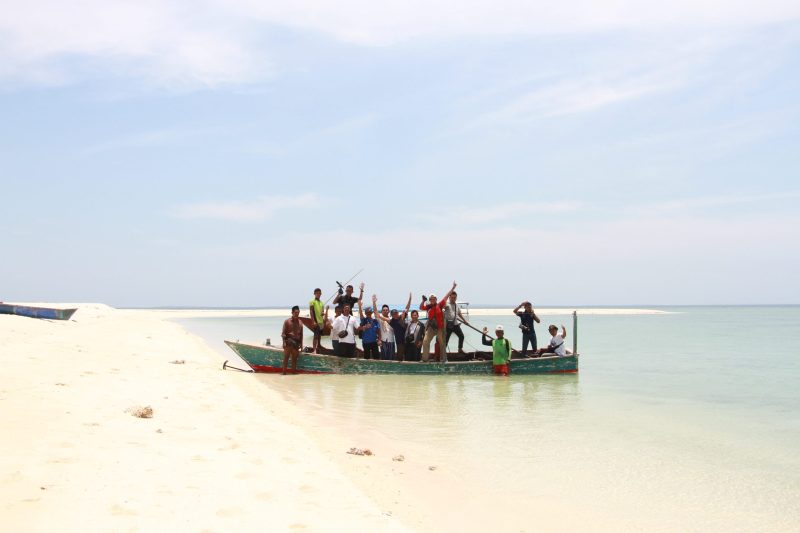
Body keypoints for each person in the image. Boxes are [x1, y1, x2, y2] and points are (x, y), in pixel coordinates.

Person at [420, 281, 457, 363]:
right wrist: (423, 301)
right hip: (431, 328)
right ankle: (425, 359)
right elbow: (421, 307)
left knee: (442, 343)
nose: (432, 300)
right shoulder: (428, 307)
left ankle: (444, 359)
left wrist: (453, 288)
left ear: (436, 299)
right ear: (429, 300)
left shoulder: (440, 305)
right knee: (425, 341)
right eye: (431, 299)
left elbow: (447, 296)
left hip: (440, 328)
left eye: (434, 299)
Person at [281, 305, 304, 374]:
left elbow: (301, 335)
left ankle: (293, 375)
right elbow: (283, 333)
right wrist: (284, 342)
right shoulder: (287, 321)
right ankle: (284, 373)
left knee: (294, 360)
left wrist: (301, 345)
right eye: (295, 313)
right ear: (292, 313)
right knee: (286, 359)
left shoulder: (300, 323)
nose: (297, 314)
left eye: (298, 313)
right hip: (288, 342)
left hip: (296, 344)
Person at [390, 294, 412, 361]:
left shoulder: (401, 317)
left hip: (407, 340)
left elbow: (407, 308)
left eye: (396, 313)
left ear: (397, 313)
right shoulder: (392, 321)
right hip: (399, 341)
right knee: (399, 357)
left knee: (407, 355)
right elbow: (380, 317)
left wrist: (410, 299)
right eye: (393, 314)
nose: (395, 314)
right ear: (391, 315)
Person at [309, 288, 325, 354]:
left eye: (319, 293)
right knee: (315, 336)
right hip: (316, 321)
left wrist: (323, 313)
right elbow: (311, 311)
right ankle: (314, 349)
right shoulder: (312, 301)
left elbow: (322, 311)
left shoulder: (322, 303)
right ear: (314, 294)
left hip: (321, 321)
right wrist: (313, 321)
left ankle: (319, 345)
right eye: (317, 293)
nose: (318, 294)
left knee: (319, 335)